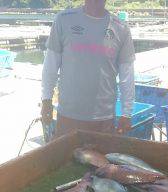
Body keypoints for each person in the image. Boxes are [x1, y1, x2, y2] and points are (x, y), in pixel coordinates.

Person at [41, 0, 135, 137]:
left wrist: (127, 113)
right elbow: (50, 65)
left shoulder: (121, 28)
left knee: (100, 158)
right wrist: (46, 99)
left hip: (103, 119)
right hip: (68, 115)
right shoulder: (63, 20)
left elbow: (127, 75)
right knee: (66, 157)